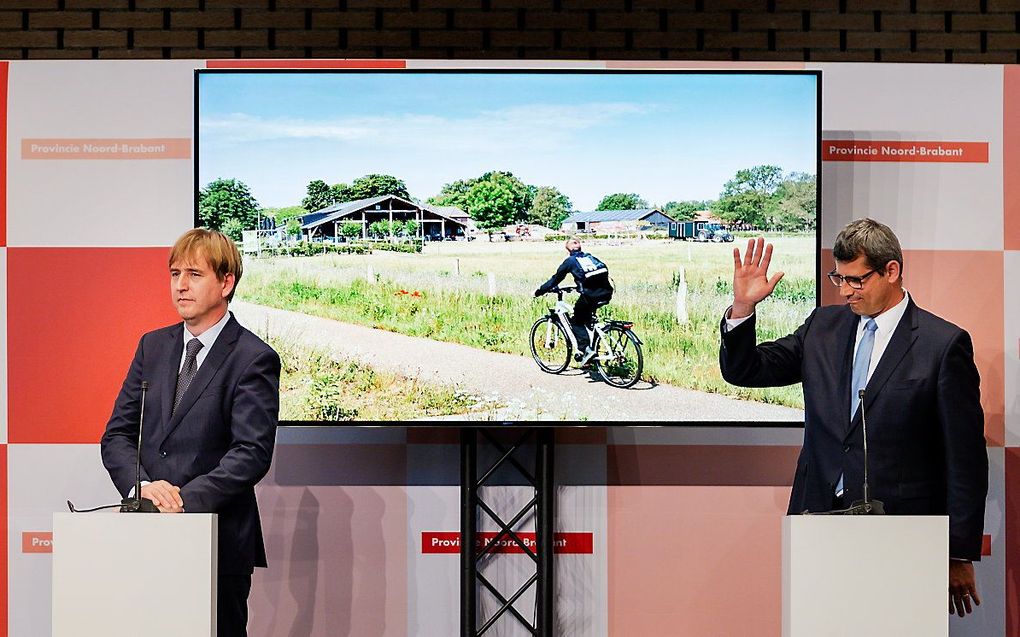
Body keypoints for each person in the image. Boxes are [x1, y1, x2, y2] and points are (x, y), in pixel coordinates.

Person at [719, 219, 987, 618]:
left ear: (891, 271)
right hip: (817, 521)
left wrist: (958, 551)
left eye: (856, 281)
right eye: (838, 278)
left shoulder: (943, 344)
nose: (844, 291)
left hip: (903, 534)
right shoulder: (822, 327)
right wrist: (743, 308)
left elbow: (964, 458)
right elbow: (747, 371)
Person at [101, 228, 281, 637]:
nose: (180, 285)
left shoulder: (254, 357)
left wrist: (182, 499)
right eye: (174, 273)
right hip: (144, 530)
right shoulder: (153, 346)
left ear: (226, 282)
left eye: (194, 274)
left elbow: (251, 453)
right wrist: (141, 487)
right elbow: (117, 436)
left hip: (215, 537)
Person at [534, 237, 614, 364]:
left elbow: (556, 279)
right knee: (586, 319)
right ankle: (590, 355)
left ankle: (586, 350)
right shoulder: (590, 257)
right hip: (606, 293)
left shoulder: (570, 261)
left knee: (576, 320)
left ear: (568, 249)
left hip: (590, 296)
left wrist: (540, 291)